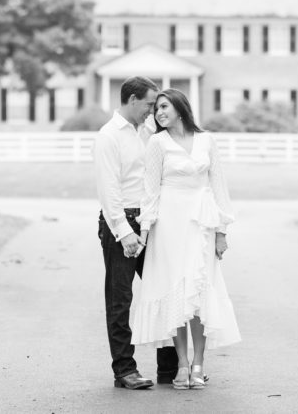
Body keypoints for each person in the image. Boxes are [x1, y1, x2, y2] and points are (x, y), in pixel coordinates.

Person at [130, 88, 241, 389]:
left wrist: (222, 231)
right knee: (176, 293)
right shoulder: (157, 143)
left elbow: (219, 186)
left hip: (201, 225)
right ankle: (181, 364)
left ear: (180, 107)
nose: (159, 113)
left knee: (199, 292)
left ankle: (199, 365)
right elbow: (150, 193)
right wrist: (143, 234)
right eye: (156, 110)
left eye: (164, 107)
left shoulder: (207, 141)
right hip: (168, 227)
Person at [94, 76, 180, 390]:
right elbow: (108, 190)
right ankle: (124, 370)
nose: (152, 110)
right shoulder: (109, 136)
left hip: (150, 222)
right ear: (132, 100)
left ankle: (170, 368)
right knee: (121, 299)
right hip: (123, 225)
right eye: (148, 103)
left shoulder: (148, 133)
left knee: (166, 292)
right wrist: (123, 232)